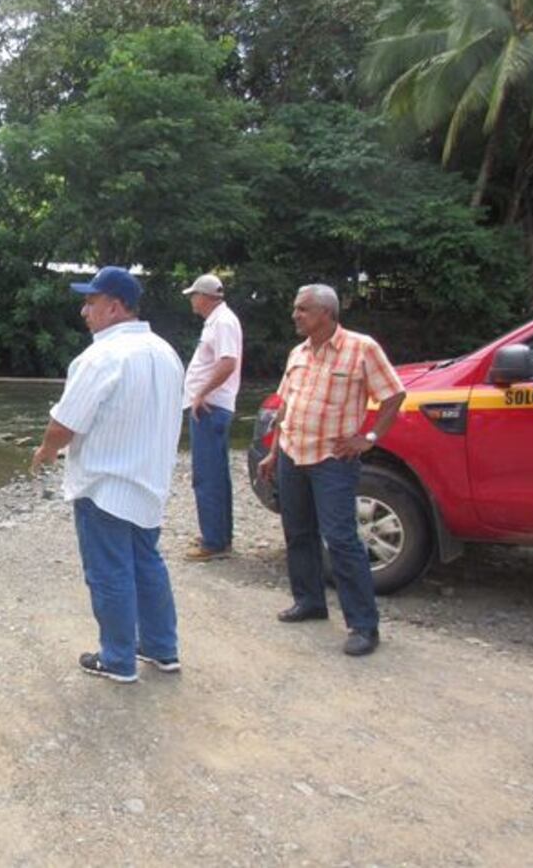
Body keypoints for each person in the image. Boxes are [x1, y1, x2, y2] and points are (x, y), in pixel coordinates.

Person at [31, 266, 185, 683]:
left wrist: (46, 451)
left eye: (90, 302)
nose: (84, 311)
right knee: (147, 564)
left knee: (109, 572)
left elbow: (64, 424)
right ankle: (161, 648)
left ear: (114, 307)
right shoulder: (166, 352)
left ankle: (117, 659)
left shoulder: (101, 356)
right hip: (150, 481)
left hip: (105, 486)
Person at [257, 284, 406, 657]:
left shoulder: (361, 348)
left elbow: (394, 394)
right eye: (296, 308)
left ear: (326, 312)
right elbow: (286, 406)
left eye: (302, 309)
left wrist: (368, 438)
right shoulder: (298, 352)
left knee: (340, 539)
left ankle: (363, 625)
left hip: (332, 460)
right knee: (298, 532)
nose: (295, 315)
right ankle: (309, 601)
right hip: (292, 454)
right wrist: (273, 452)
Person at [181, 274, 243, 560]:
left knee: (207, 475)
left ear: (205, 297)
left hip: (210, 407)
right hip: (212, 406)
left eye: (194, 295)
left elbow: (228, 363)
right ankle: (218, 535)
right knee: (215, 474)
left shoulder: (223, 322)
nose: (191, 300)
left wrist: (201, 393)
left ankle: (214, 542)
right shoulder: (219, 321)